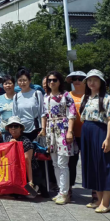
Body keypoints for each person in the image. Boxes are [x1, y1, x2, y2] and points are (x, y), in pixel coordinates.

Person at [79, 69, 110, 213]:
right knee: (92, 165)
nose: (92, 83)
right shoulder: (85, 97)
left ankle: (106, 203)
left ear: (101, 82)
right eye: (89, 80)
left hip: (100, 132)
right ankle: (99, 199)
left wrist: (107, 139)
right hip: (87, 132)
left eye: (95, 80)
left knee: (104, 165)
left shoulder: (107, 98)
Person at [40, 71, 77, 205]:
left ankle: (65, 193)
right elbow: (44, 115)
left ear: (59, 81)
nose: (52, 82)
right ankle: (60, 191)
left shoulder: (66, 96)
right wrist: (43, 129)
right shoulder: (46, 97)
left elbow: (72, 114)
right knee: (55, 163)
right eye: (49, 80)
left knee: (62, 163)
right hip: (51, 130)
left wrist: (70, 131)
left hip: (63, 129)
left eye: (54, 80)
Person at [5, 116, 39, 196]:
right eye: (11, 126)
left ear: (20, 128)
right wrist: (9, 145)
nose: (13, 128)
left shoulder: (26, 142)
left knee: (24, 194)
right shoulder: (7, 139)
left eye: (16, 126)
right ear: (8, 129)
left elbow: (27, 162)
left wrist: (30, 182)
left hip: (29, 170)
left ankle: (33, 185)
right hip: (14, 170)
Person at [66, 71, 87, 199]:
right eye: (74, 79)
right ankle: (68, 188)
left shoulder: (90, 96)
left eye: (80, 79)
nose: (77, 81)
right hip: (72, 135)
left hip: (87, 135)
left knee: (89, 163)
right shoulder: (68, 96)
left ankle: (94, 190)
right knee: (71, 162)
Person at [12, 68, 44, 141]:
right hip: (21, 131)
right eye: (20, 80)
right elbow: (14, 115)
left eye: (24, 80)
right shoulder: (16, 97)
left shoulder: (37, 94)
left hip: (35, 130)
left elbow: (42, 113)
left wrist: (43, 128)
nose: (22, 83)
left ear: (29, 81)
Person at [0, 75, 15, 142]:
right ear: (3, 85)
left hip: (16, 131)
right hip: (3, 131)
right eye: (5, 84)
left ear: (14, 85)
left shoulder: (18, 97)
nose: (8, 85)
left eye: (10, 83)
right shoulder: (0, 98)